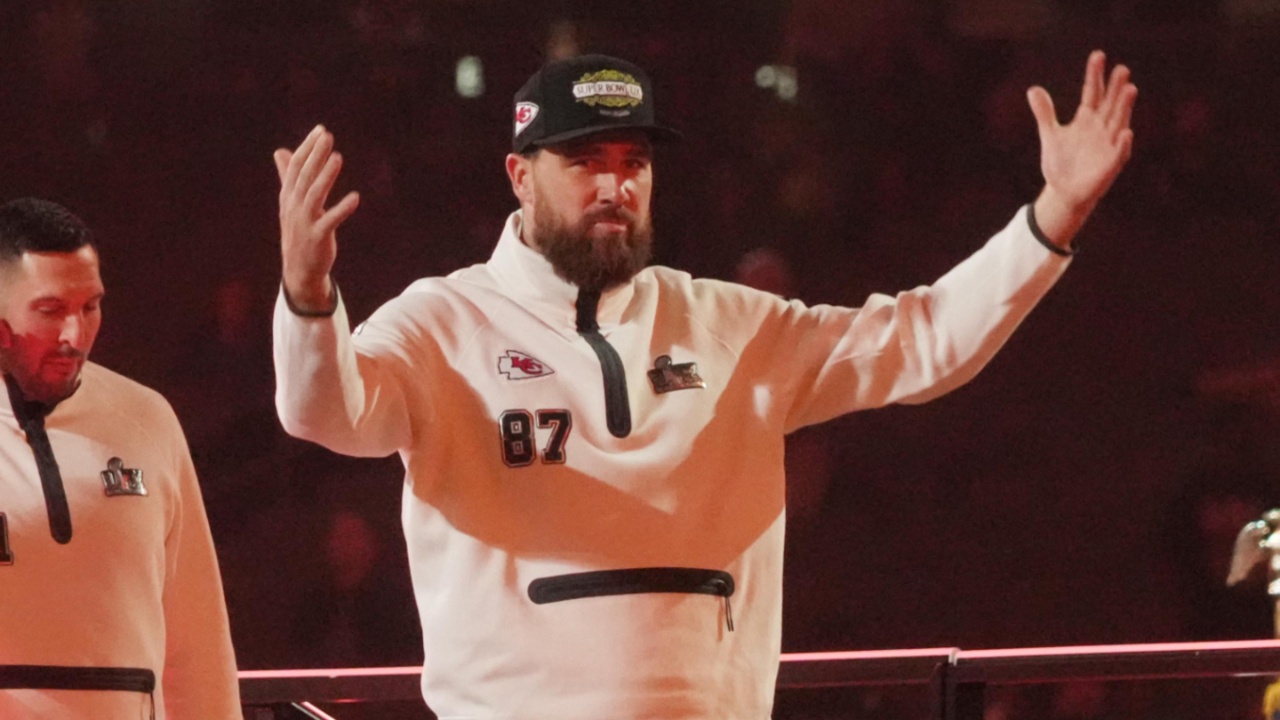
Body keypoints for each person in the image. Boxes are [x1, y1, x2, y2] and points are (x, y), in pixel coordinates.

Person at [272, 52, 1136, 717]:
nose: (615, 185)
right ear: (519, 173)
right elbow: (326, 413)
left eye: (634, 160)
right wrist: (310, 299)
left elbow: (922, 342)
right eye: (585, 160)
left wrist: (1050, 220)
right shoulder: (441, 322)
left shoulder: (729, 323)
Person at [0, 198, 242, 719]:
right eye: (50, 310)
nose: (74, 334)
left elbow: (197, 639)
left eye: (90, 306)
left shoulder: (147, 419)